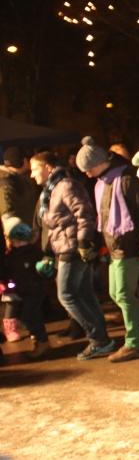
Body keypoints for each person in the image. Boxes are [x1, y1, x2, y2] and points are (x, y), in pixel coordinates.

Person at [76, 137, 139, 362]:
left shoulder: (126, 180)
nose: (87, 174)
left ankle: (134, 342)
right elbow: (103, 219)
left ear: (99, 162)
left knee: (124, 294)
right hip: (114, 247)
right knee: (117, 294)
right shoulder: (102, 183)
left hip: (129, 246)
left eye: (88, 169)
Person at [30, 151, 116, 360]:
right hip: (65, 246)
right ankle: (102, 340)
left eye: (34, 169)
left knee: (66, 294)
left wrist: (83, 242)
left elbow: (84, 213)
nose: (32, 175)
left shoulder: (65, 186)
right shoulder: (52, 190)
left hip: (73, 247)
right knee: (84, 293)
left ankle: (99, 339)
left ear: (48, 167)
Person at [0, 148, 47, 357]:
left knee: (30, 294)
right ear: (24, 161)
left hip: (25, 246)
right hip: (19, 248)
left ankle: (40, 338)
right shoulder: (6, 183)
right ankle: (40, 338)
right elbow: (7, 216)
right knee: (28, 295)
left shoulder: (17, 181)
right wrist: (27, 235)